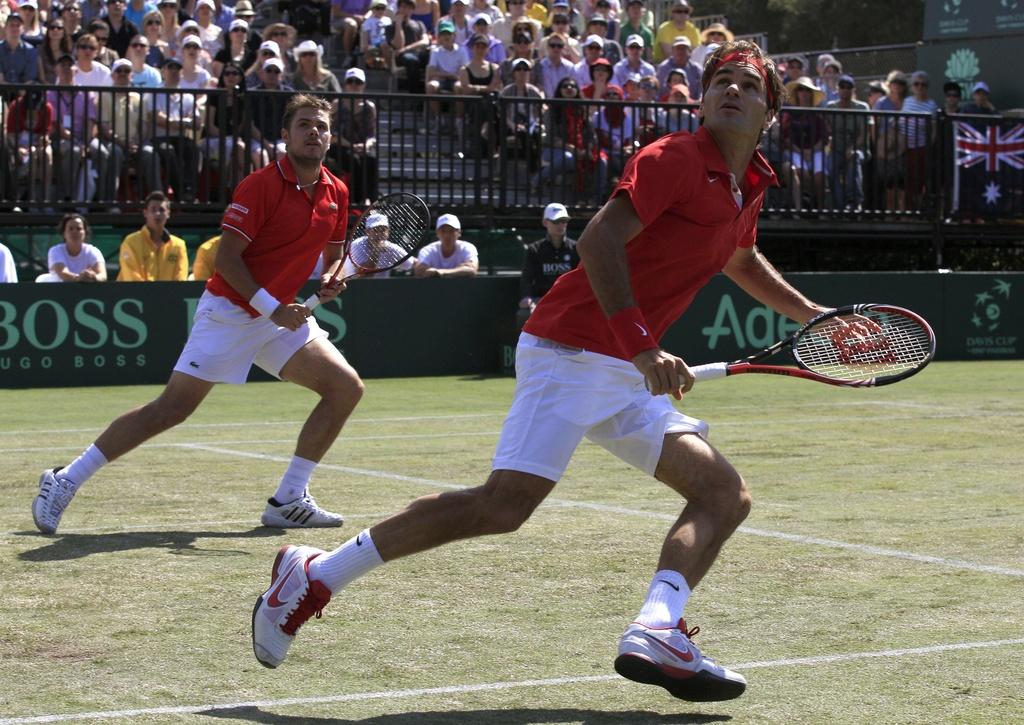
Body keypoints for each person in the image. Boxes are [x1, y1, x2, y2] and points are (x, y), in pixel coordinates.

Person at [251, 43, 833, 709]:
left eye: (748, 85)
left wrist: (812, 315)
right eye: (720, 81)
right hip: (571, 347)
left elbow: (739, 257)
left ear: (770, 112)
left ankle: (656, 626)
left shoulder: (744, 183)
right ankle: (314, 575)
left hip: (621, 367)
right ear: (700, 101)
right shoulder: (674, 157)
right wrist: (644, 348)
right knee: (503, 505)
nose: (731, 90)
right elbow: (598, 241)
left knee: (723, 494)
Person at [33, 94, 360, 536]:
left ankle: (289, 498)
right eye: (304, 125)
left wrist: (333, 279)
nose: (313, 133)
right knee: (171, 409)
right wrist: (273, 308)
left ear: (331, 136)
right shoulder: (260, 185)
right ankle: (64, 479)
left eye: (321, 126)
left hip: (278, 317)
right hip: (230, 311)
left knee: (345, 388)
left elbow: (333, 256)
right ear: (286, 135)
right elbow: (227, 260)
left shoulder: (336, 191)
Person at [517, 201, 578, 325]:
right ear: (545, 222)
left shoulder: (576, 248)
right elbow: (527, 277)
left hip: (570, 301)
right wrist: (526, 297)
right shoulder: (534, 249)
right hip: (541, 300)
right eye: (555, 222)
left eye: (564, 221)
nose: (560, 225)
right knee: (524, 316)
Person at [780, 75, 828, 214]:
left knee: (820, 175)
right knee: (802, 172)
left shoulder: (819, 114)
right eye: (801, 89)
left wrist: (811, 151)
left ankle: (820, 209)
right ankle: (802, 207)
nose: (804, 93)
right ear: (797, 93)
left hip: (816, 150)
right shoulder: (790, 114)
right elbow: (785, 137)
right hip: (795, 151)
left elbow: (824, 137)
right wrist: (801, 152)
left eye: (807, 90)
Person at [115, 191, 189, 280]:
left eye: (161, 210)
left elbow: (180, 280)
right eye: (153, 209)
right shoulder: (130, 242)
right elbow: (132, 280)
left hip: (169, 294)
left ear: (168, 213)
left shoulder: (179, 245)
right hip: (135, 294)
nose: (157, 213)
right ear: (145, 213)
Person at [825, 73, 871, 213]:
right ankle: (839, 205)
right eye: (842, 87)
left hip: (858, 148)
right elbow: (827, 129)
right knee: (831, 166)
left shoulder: (862, 107)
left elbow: (865, 133)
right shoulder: (830, 107)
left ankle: (854, 202)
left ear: (853, 89)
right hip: (837, 149)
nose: (845, 89)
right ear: (837, 89)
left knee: (854, 159)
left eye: (849, 87)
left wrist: (852, 148)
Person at [335, 67, 379, 204]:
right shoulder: (337, 104)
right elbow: (332, 133)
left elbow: (372, 134)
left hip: (362, 147)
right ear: (345, 84)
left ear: (364, 85)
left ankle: (372, 200)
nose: (354, 85)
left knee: (371, 159)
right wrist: (351, 145)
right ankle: (356, 200)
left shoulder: (369, 106)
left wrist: (367, 144)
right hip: (340, 146)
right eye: (350, 81)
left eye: (358, 82)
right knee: (354, 159)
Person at [901, 70, 937, 211]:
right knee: (907, 180)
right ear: (912, 86)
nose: (920, 87)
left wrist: (929, 146)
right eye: (916, 84)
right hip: (904, 147)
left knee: (920, 180)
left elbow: (934, 130)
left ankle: (919, 209)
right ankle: (907, 210)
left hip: (921, 147)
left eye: (923, 85)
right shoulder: (907, 102)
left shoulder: (932, 105)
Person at [340, 212, 416, 278]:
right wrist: (376, 251)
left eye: (383, 230)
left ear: (388, 232)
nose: (379, 234)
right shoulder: (357, 245)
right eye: (376, 230)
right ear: (367, 232)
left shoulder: (391, 247)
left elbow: (413, 263)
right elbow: (364, 274)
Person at [39, 213, 107, 282]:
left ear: (85, 232)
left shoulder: (93, 251)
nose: (75, 232)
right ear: (64, 233)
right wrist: (79, 278)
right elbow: (62, 273)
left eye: (79, 228)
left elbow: (102, 275)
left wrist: (94, 277)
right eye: (70, 229)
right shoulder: (55, 251)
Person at [413, 213, 479, 277]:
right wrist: (459, 270)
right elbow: (419, 271)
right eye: (443, 231)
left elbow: (472, 269)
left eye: (451, 231)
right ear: (437, 233)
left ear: (459, 232)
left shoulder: (468, 247)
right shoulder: (427, 250)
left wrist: (439, 272)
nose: (447, 235)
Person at [655, 34, 699, 100]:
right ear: (672, 50)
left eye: (683, 48)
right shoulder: (663, 68)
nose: (680, 51)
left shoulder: (697, 69)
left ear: (689, 51)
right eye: (678, 48)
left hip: (692, 107)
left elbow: (701, 93)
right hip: (667, 107)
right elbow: (659, 93)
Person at [1, 12, 40, 83]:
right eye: (11, 25)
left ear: (23, 29)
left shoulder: (30, 50)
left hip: (25, 91)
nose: (15, 28)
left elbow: (30, 78)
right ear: (5, 28)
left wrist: (20, 92)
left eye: (18, 25)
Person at [359, 0, 392, 69]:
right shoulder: (368, 21)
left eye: (382, 8)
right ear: (372, 9)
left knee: (386, 46)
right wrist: (365, 46)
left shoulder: (388, 20)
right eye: (377, 8)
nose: (380, 10)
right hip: (374, 44)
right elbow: (365, 35)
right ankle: (385, 66)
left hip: (386, 43)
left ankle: (389, 66)